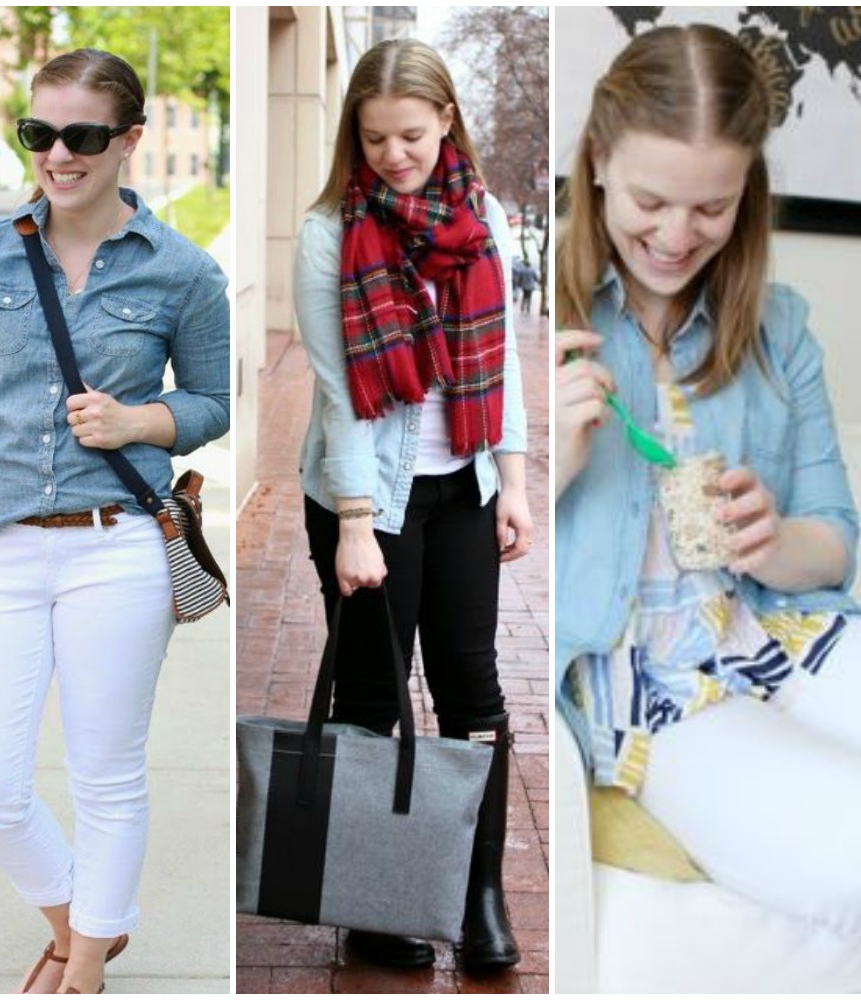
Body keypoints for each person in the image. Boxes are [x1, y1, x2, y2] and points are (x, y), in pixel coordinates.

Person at [0, 49, 229, 995]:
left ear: (128, 141)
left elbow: (214, 400)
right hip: (1, 549)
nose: (57, 154)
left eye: (82, 136)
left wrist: (141, 422)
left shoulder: (184, 272)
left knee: (106, 772)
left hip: (118, 548)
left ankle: (84, 966)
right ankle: (80, 919)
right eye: (38, 133)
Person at [555, 24, 861, 938]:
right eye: (652, 199)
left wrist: (774, 539)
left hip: (780, 631)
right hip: (649, 685)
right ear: (600, 160)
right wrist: (549, 459)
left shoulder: (777, 327)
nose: (676, 236)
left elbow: (834, 539)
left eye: (712, 208)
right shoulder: (535, 318)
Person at [294, 38, 533, 972]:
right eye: (374, 138)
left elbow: (503, 358)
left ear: (444, 122)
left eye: (409, 135)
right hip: (366, 498)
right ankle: (373, 900)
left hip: (463, 485)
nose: (394, 155)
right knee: (369, 696)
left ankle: (479, 897)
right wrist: (355, 521)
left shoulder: (483, 218)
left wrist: (512, 480)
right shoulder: (328, 232)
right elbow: (341, 389)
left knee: (472, 692)